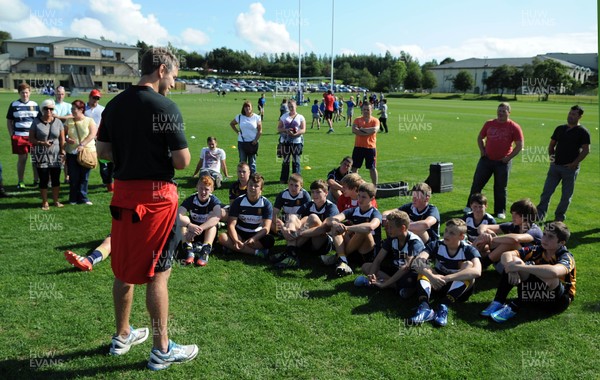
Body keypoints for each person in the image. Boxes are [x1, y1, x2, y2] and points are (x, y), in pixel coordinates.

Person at [96, 47, 197, 370]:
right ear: (162, 69)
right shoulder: (164, 105)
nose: (174, 83)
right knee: (158, 274)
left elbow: (103, 151)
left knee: (123, 270)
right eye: (174, 76)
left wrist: (132, 157)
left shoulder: (114, 105)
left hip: (123, 195)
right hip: (156, 200)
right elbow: (182, 162)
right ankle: (161, 349)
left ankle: (122, 334)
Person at [481, 222, 576, 323]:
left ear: (561, 243)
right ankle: (498, 301)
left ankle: (514, 306)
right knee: (514, 261)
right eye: (544, 234)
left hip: (556, 301)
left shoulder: (566, 257)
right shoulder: (538, 249)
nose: (545, 239)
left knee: (550, 276)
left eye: (551, 237)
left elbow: (553, 272)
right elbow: (506, 254)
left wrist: (519, 267)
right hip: (535, 296)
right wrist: (512, 269)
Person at [408, 219, 482, 327]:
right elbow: (416, 262)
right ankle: (424, 308)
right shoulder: (437, 244)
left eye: (452, 233)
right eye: (446, 231)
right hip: (436, 283)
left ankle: (443, 306)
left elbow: (477, 271)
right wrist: (431, 276)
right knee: (424, 267)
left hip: (457, 288)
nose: (446, 234)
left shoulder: (468, 249)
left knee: (468, 267)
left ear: (461, 237)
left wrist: (447, 278)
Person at [465, 102, 524, 219]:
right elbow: (480, 137)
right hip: (486, 160)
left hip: (503, 163)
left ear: (509, 112)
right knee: (477, 184)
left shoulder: (514, 127)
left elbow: (519, 145)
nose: (500, 113)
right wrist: (482, 151)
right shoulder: (489, 123)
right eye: (499, 110)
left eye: (503, 111)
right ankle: (470, 206)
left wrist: (508, 158)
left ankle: (500, 210)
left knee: (500, 187)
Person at [537, 105, 591, 222]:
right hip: (555, 167)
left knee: (566, 196)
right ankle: (540, 214)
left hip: (570, 169)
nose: (570, 116)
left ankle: (559, 216)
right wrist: (552, 159)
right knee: (546, 192)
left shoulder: (583, 132)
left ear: (580, 116)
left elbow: (586, 150)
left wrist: (574, 163)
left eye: (574, 114)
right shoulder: (560, 129)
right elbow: (552, 145)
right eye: (570, 113)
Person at [354, 210, 425, 299]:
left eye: (391, 227)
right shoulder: (392, 238)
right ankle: (388, 285)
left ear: (402, 228)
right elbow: (378, 259)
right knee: (366, 267)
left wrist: (385, 284)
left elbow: (406, 267)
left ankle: (386, 284)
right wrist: (371, 275)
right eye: (388, 227)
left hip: (409, 273)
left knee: (409, 280)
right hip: (395, 269)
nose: (388, 230)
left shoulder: (414, 242)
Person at [271, 179, 339, 269]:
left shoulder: (331, 207)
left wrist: (300, 233)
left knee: (312, 217)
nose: (315, 195)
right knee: (292, 216)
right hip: (306, 241)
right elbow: (295, 221)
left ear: (326, 193)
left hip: (322, 243)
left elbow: (325, 229)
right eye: (313, 192)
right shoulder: (309, 204)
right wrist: (285, 229)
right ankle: (291, 253)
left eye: (318, 192)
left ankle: (289, 251)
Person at [326, 182, 382, 277]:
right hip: (353, 247)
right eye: (359, 196)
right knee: (335, 228)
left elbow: (371, 226)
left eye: (364, 197)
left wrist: (347, 228)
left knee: (363, 231)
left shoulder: (375, 213)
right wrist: (336, 224)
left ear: (372, 198)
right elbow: (330, 220)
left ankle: (339, 256)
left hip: (367, 252)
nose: (360, 199)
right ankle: (343, 260)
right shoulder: (353, 210)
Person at [218, 172, 275, 257]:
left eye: (256, 186)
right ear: (247, 186)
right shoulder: (238, 201)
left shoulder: (266, 204)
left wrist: (254, 238)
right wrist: (236, 240)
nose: (252, 188)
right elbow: (231, 225)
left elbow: (266, 228)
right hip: (240, 233)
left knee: (269, 240)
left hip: (256, 234)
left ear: (261, 189)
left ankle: (235, 248)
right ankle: (256, 252)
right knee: (222, 237)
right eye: (250, 185)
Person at [474, 198, 542, 268]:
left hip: (529, 262)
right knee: (488, 233)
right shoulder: (514, 226)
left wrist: (492, 239)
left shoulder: (534, 230)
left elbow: (515, 239)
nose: (513, 216)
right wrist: (484, 234)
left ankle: (483, 264)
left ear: (526, 216)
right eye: (512, 213)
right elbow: (483, 226)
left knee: (510, 243)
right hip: (509, 258)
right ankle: (470, 255)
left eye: (516, 214)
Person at [29, 99, 65, 210]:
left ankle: (56, 201)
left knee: (56, 179)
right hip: (41, 154)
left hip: (56, 154)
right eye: (46, 108)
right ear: (42, 109)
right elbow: (31, 138)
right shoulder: (36, 122)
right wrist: (41, 143)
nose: (49, 111)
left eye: (51, 109)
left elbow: (62, 138)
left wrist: (63, 151)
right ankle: (45, 202)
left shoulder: (58, 122)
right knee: (43, 179)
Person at [178, 176, 222, 266]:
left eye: (206, 189)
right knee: (183, 221)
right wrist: (189, 225)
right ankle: (189, 251)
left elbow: (218, 216)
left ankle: (205, 251)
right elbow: (177, 215)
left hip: (205, 232)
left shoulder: (214, 200)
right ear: (197, 187)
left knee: (213, 222)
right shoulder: (191, 199)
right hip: (191, 233)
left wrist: (199, 229)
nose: (203, 192)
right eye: (201, 188)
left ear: (212, 190)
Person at [6, 82, 40, 189]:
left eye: (26, 92)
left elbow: (39, 121)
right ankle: (20, 181)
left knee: (35, 159)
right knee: (22, 159)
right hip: (20, 136)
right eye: (22, 93)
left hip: (33, 137)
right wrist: (12, 134)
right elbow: (9, 121)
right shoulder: (14, 105)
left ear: (30, 93)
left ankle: (36, 180)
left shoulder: (35, 105)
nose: (24, 95)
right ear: (19, 93)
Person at [64, 100, 96, 205]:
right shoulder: (69, 121)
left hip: (86, 152)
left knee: (84, 177)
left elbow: (92, 134)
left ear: (81, 109)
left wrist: (82, 144)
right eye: (71, 109)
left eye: (74, 109)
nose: (72, 111)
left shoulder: (89, 121)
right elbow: (63, 135)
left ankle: (83, 197)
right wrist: (67, 139)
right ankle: (73, 198)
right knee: (73, 176)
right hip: (72, 152)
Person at [86, 89, 113, 192]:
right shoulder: (83, 108)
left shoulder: (102, 109)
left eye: (98, 98)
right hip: (86, 139)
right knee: (86, 161)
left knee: (104, 161)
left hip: (99, 139)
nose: (96, 100)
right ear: (90, 97)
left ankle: (108, 181)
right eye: (94, 98)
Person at [277, 99, 306, 184]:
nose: (291, 108)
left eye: (292, 106)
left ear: (296, 106)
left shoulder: (300, 117)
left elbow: (303, 129)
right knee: (285, 161)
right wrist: (286, 130)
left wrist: (296, 133)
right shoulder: (284, 116)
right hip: (285, 142)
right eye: (289, 107)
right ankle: (284, 179)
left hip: (297, 142)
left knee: (296, 161)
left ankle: (296, 180)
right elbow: (279, 128)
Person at [351, 102, 380, 185]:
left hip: (370, 147)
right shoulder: (357, 119)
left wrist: (361, 129)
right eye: (364, 109)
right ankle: (355, 185)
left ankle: (375, 186)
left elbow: (374, 130)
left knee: (372, 168)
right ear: (361, 110)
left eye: (368, 109)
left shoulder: (375, 120)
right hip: (358, 147)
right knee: (354, 167)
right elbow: (354, 130)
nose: (366, 111)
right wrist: (368, 132)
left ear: (371, 110)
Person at [230, 100, 262, 173]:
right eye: (245, 107)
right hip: (242, 143)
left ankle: (252, 179)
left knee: (252, 163)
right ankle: (241, 180)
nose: (247, 108)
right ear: (243, 108)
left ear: (252, 108)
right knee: (242, 162)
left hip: (253, 143)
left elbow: (260, 130)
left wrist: (256, 140)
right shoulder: (239, 117)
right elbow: (232, 124)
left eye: (249, 106)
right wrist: (237, 131)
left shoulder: (257, 117)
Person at [53, 86, 72, 184]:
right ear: (55, 93)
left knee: (66, 157)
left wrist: (59, 117)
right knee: (55, 157)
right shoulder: (51, 105)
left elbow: (72, 116)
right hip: (54, 135)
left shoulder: (68, 105)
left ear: (64, 94)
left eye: (62, 94)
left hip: (66, 134)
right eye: (58, 93)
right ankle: (54, 178)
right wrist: (65, 118)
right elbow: (52, 117)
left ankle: (67, 177)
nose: (60, 95)